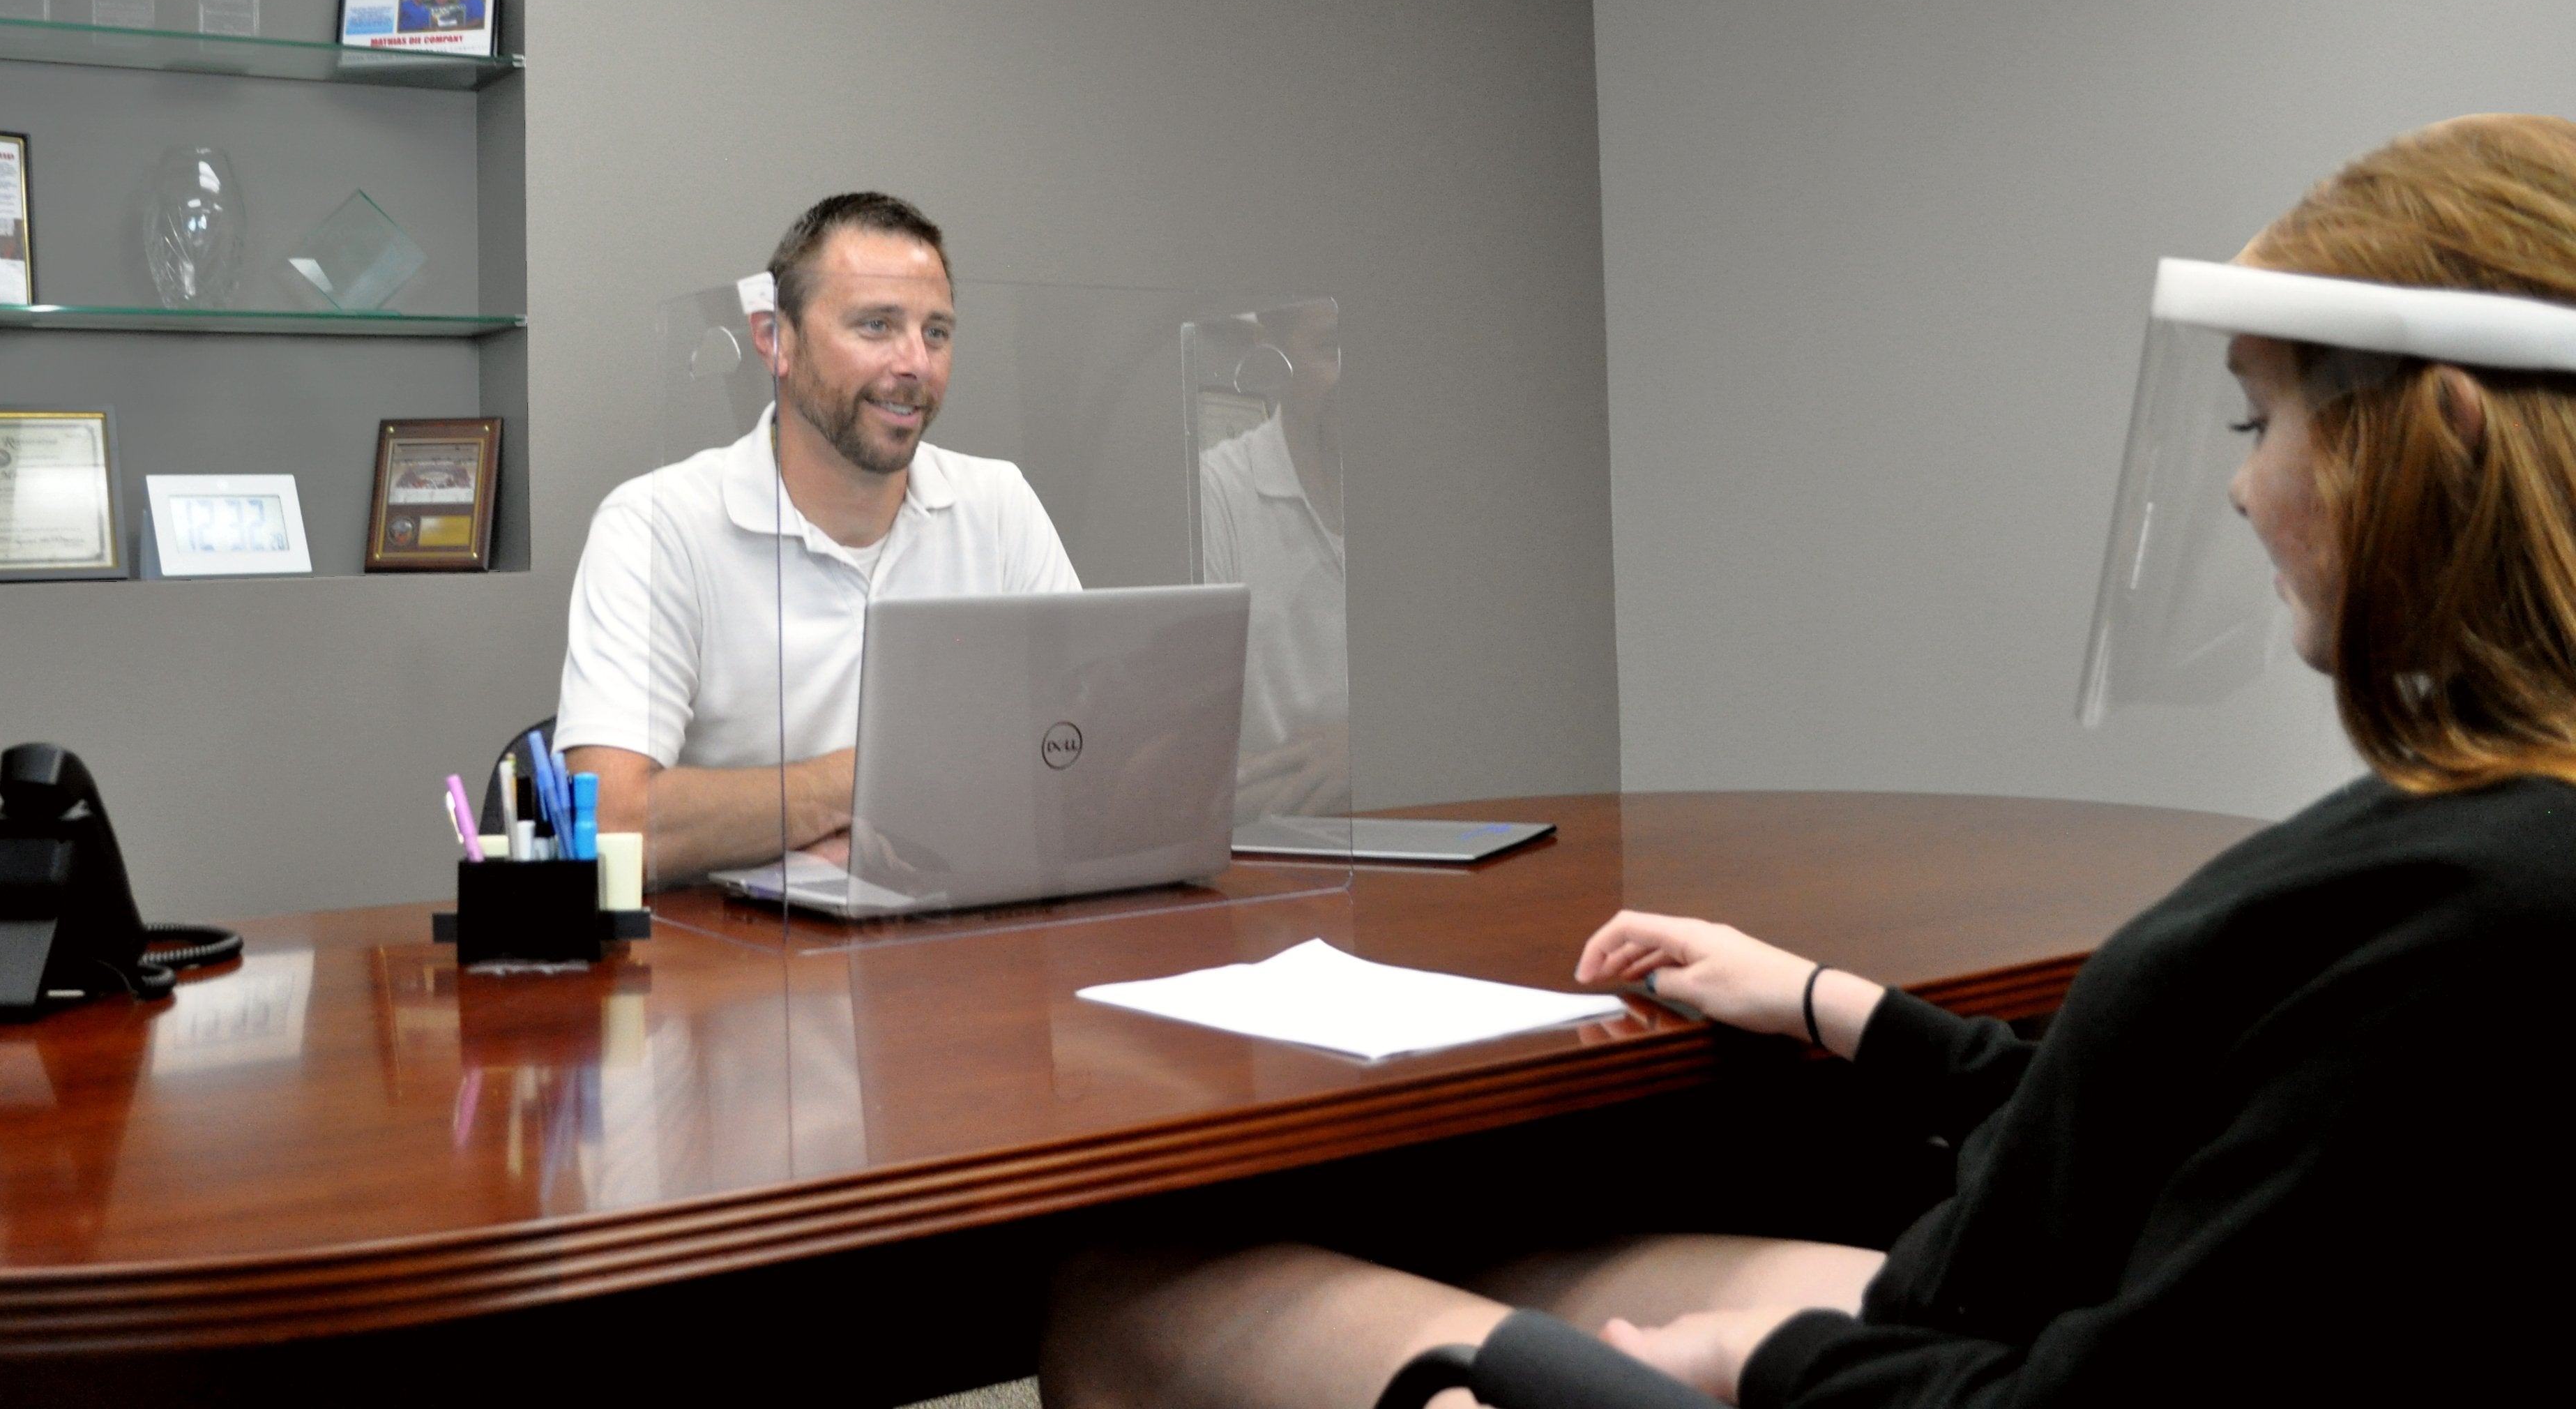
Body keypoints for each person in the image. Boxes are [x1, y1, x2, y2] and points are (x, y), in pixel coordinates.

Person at [1044, 114, 2576, 1406]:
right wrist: (1837, 1005)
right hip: (2013, 1294)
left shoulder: (2477, 916)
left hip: (1965, 1357)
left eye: (2264, 419)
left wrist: (1752, 1362)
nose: (2240, 488)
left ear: (2430, 442)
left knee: (1128, 1292)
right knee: (1509, 1244)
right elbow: (2169, 1122)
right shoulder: (2498, 846)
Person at [556, 192, 1077, 884]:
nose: (915, 363)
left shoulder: (999, 505)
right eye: (876, 325)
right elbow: (608, 826)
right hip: (731, 967)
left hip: (956, 939)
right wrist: (861, 784)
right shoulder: (657, 525)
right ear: (776, 339)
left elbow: (1076, 763)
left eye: (938, 332)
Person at [1200, 299, 1349, 821]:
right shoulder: (1217, 491)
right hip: (1268, 855)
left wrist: (1362, 752)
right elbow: (1206, 779)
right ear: (1276, 353)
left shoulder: (1420, 495)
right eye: (1331, 347)